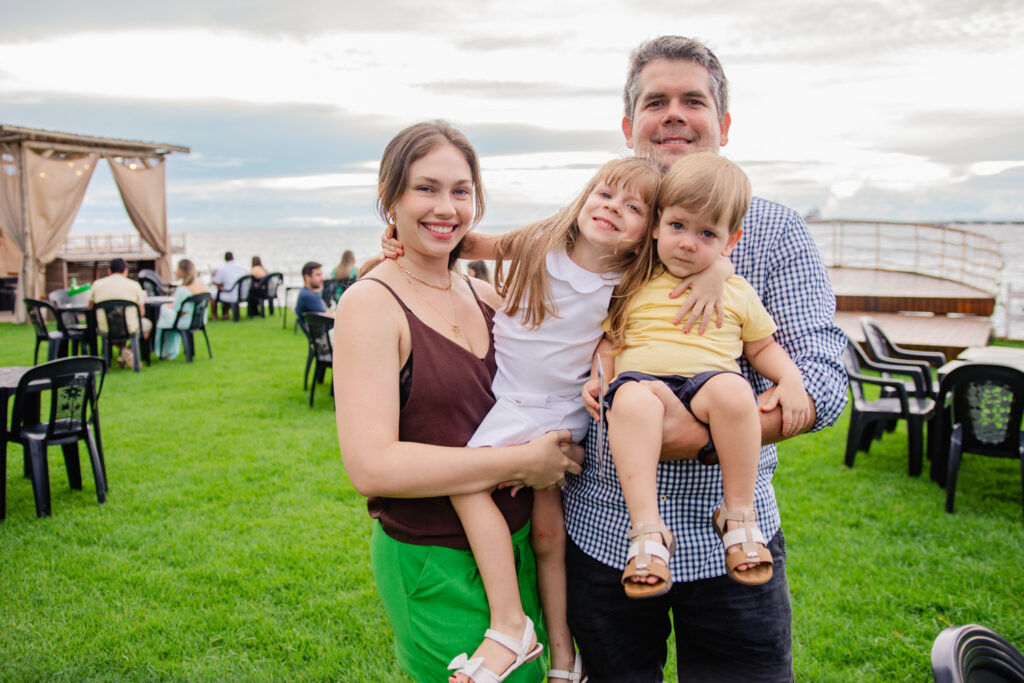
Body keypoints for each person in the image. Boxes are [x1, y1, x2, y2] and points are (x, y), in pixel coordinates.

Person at [559, 36, 849, 681]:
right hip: (604, 534)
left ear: (722, 123)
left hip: (735, 543)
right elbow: (520, 290)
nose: (674, 114)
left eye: (693, 100)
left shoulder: (772, 230)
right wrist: (420, 255)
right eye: (655, 101)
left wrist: (702, 438)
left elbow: (825, 380)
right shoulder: (600, 226)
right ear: (630, 125)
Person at [334, 120, 583, 682]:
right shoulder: (370, 305)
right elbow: (370, 465)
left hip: (525, 551)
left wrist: (562, 453)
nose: (445, 206)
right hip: (434, 558)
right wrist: (523, 462)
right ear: (389, 197)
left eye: (461, 191)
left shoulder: (487, 295)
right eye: (425, 188)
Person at [582, 153, 810, 606]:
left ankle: (738, 514)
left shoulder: (736, 290)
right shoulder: (635, 282)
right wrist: (598, 376)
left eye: (707, 234)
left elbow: (761, 346)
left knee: (734, 391)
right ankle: (648, 529)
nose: (688, 243)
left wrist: (791, 380)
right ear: (656, 225)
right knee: (630, 405)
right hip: (642, 381)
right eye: (678, 227)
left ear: (731, 241)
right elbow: (611, 338)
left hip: (709, 380)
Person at [87, 257, 151, 369]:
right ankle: (128, 351)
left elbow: (90, 307)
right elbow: (141, 313)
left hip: (106, 328)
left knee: (109, 327)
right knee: (147, 325)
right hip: (130, 327)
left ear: (109, 271)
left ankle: (123, 351)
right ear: (126, 271)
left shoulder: (97, 285)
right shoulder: (134, 285)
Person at [154, 259, 207, 360]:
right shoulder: (202, 285)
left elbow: (178, 309)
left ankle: (164, 352)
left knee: (163, 313)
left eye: (177, 269)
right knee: (168, 315)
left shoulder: (183, 290)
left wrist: (167, 307)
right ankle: (170, 351)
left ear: (182, 271)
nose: (176, 271)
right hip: (199, 320)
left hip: (185, 321)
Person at [210, 251, 247, 320]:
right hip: (243, 294)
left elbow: (218, 283)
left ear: (225, 259)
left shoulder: (223, 269)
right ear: (233, 257)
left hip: (231, 294)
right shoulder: (241, 267)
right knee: (225, 291)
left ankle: (214, 316)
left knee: (213, 294)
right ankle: (226, 313)